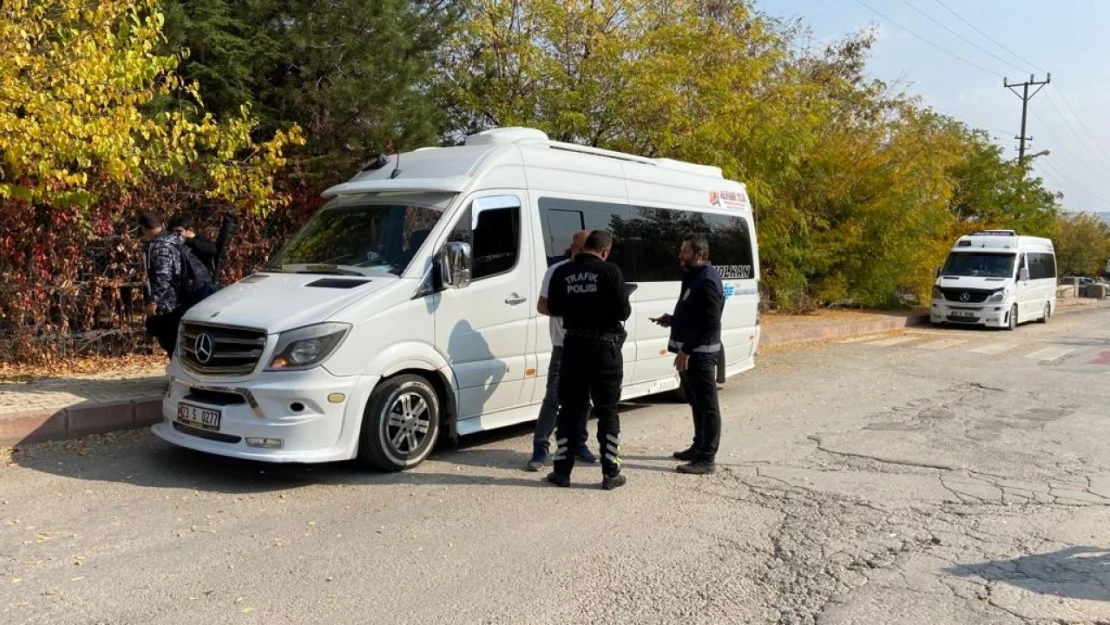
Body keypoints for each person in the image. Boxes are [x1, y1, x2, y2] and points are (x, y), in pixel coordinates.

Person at [545, 230, 631, 490]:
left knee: (570, 409)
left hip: (573, 347)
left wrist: (578, 305)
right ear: (604, 251)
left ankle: (561, 472)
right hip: (605, 349)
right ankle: (610, 472)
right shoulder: (611, 271)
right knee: (607, 410)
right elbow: (623, 311)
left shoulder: (562, 272)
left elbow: (552, 308)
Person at [652, 234, 725, 475]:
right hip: (692, 352)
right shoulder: (694, 276)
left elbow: (710, 321)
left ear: (699, 254)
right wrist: (673, 320)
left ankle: (707, 458)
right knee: (696, 402)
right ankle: (698, 446)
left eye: (684, 252)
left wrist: (687, 350)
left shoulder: (707, 281)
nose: (680, 255)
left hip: (700, 355)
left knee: (707, 406)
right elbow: (694, 313)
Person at [526, 230, 598, 471]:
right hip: (563, 345)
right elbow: (542, 305)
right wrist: (572, 312)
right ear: (573, 247)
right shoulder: (557, 271)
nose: (586, 253)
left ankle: (578, 443)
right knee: (553, 398)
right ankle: (540, 447)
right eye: (582, 248)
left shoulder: (597, 270)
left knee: (585, 399)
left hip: (589, 343)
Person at [139, 212, 187, 357]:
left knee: (168, 339)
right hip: (180, 297)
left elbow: (163, 275)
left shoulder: (160, 246)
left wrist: (154, 300)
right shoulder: (175, 239)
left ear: (143, 229)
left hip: (168, 302)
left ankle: (176, 370)